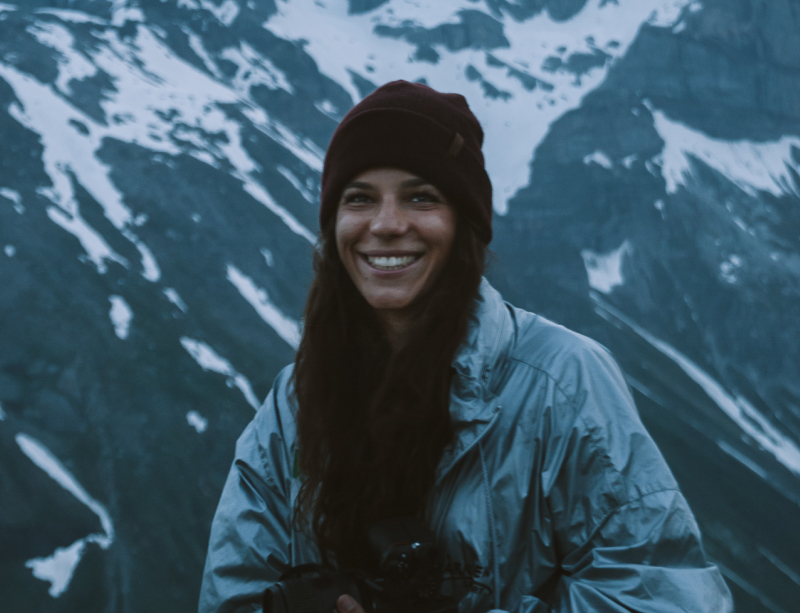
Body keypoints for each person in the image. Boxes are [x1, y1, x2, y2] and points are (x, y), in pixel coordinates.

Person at [199, 80, 733, 613]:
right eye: (359, 198)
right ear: (334, 225)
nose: (386, 225)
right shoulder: (293, 407)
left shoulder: (563, 383)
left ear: (464, 225)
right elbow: (234, 594)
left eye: (420, 197)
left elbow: (667, 598)